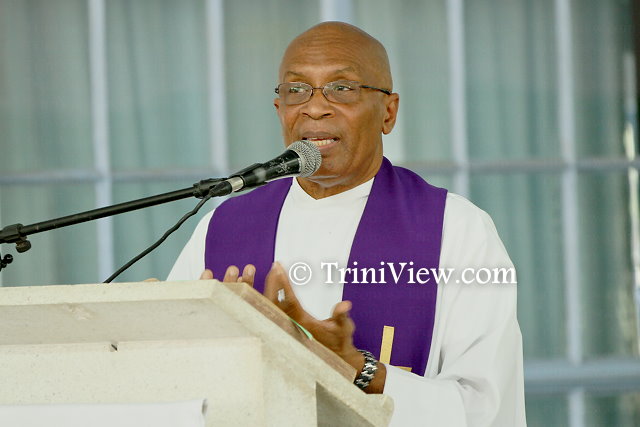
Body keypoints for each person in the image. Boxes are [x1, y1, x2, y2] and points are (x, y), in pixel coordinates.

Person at [168, 21, 526, 426]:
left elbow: (485, 408)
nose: (315, 107)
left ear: (388, 112)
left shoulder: (456, 229)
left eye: (342, 88)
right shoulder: (223, 227)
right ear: (280, 110)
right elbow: (171, 380)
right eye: (296, 89)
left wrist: (358, 369)